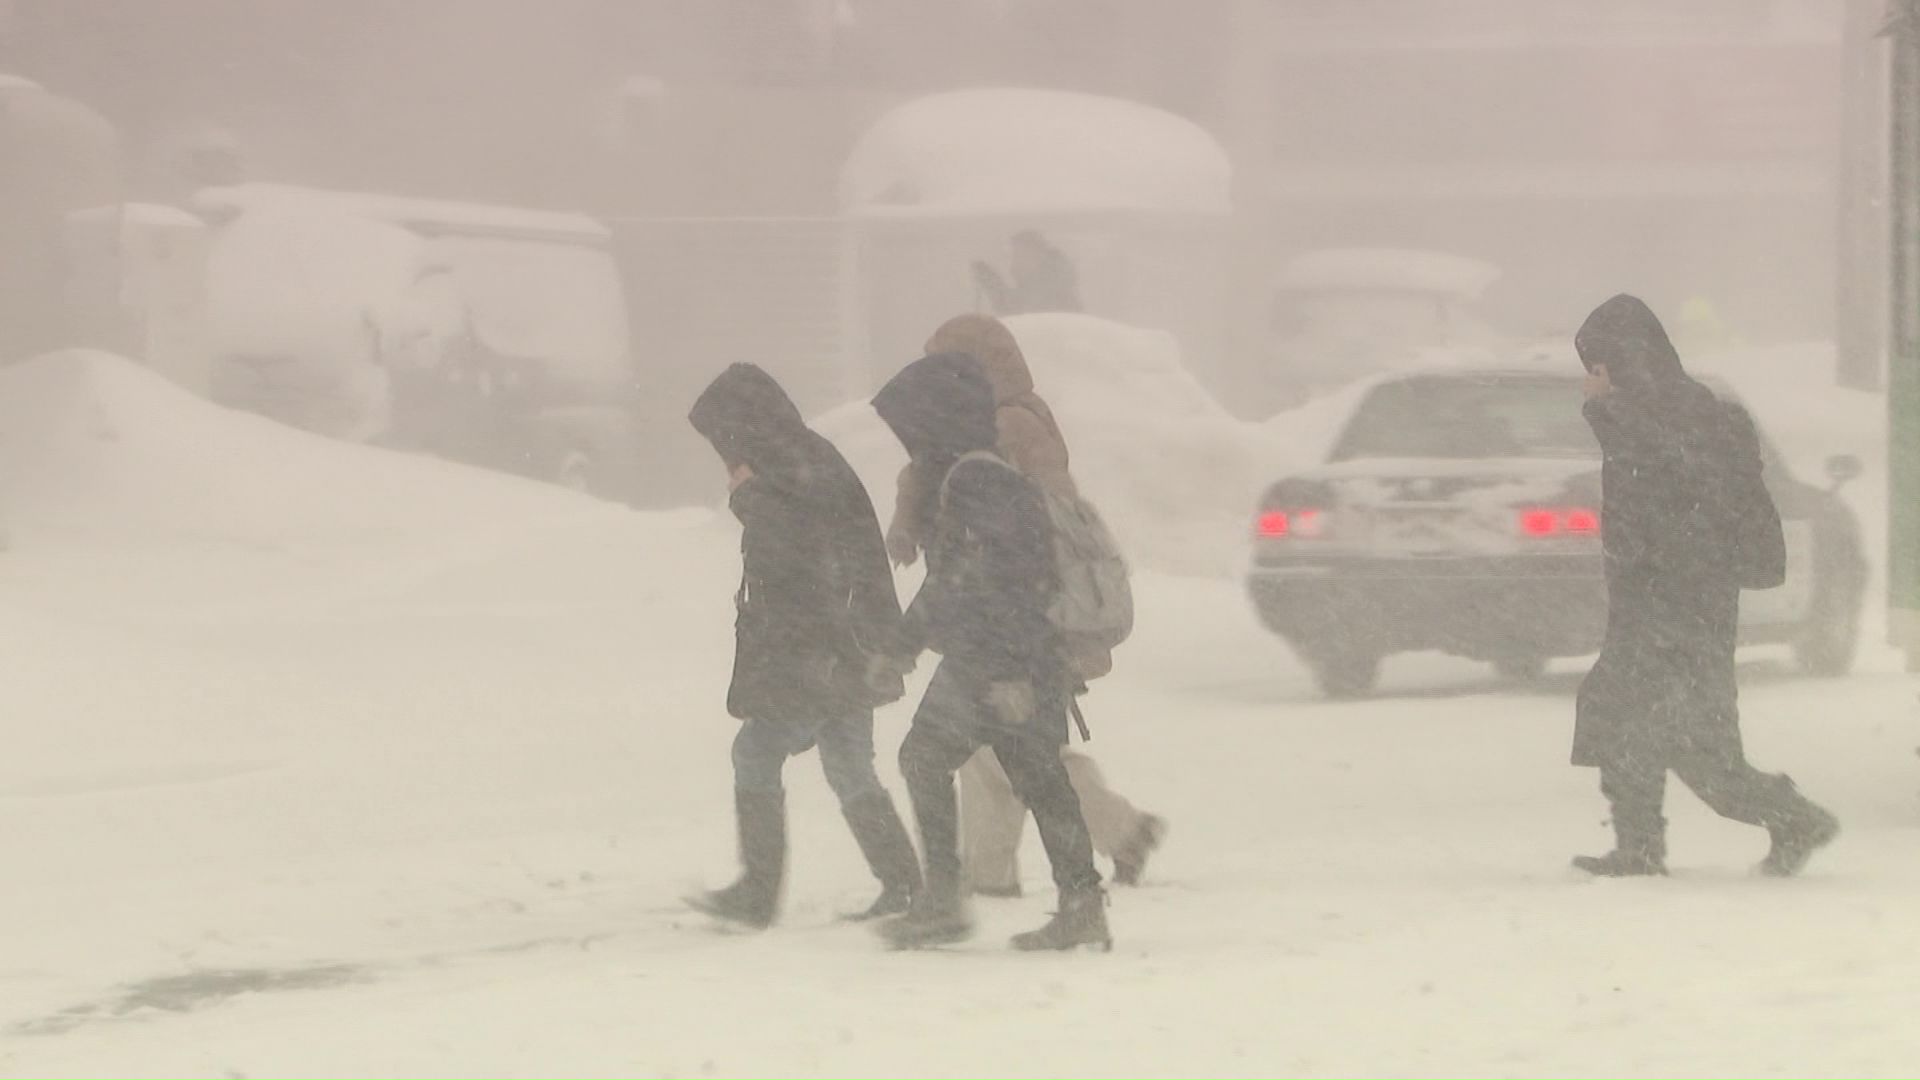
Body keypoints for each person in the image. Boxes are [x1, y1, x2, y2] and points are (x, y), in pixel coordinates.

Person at [886, 314, 1165, 895]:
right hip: (1008, 613)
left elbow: (1008, 517)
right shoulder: (1012, 415)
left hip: (1014, 616)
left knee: (1018, 750)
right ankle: (996, 873)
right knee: (1000, 750)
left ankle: (1114, 836)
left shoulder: (1003, 423)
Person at [1570, 295, 1839, 878]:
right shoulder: (1666, 410)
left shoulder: (1676, 415)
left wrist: (1606, 411)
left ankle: (1793, 818)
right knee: (1627, 721)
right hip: (1662, 600)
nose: (1591, 380)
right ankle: (1639, 846)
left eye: (1596, 365)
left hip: (1683, 601)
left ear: (1620, 361)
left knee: (1694, 743)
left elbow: (1669, 484)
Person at [869, 352, 1112, 951]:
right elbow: (960, 581)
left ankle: (945, 901)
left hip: (995, 661)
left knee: (926, 759)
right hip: (1013, 659)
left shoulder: (979, 483)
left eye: (911, 425)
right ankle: (1080, 904)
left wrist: (1010, 672)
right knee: (1038, 775)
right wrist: (902, 648)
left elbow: (987, 583)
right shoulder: (984, 474)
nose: (908, 441)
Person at [685, 363, 922, 928]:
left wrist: (748, 500)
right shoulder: (804, 458)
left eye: (725, 442)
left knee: (756, 753)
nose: (724, 457)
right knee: (848, 765)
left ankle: (759, 893)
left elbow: (796, 562)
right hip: (847, 643)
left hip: (823, 649)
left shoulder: (789, 472)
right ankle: (906, 885)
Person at [971, 230, 1082, 316]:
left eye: (1019, 256)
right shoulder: (1032, 289)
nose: (1014, 263)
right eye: (1013, 257)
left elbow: (1018, 314)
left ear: (1038, 256)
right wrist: (992, 282)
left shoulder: (1056, 294)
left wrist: (993, 284)